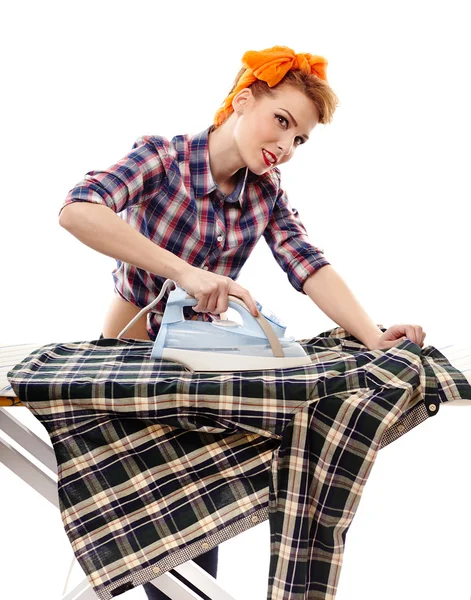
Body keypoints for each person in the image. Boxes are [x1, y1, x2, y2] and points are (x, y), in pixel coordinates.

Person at [58, 45, 425, 600]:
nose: (286, 146)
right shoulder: (164, 157)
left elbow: (309, 265)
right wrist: (185, 273)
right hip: (129, 357)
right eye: (281, 122)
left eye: (299, 139)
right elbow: (78, 208)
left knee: (192, 515)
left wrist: (372, 335)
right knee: (124, 520)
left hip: (201, 370)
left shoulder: (266, 194)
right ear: (242, 100)